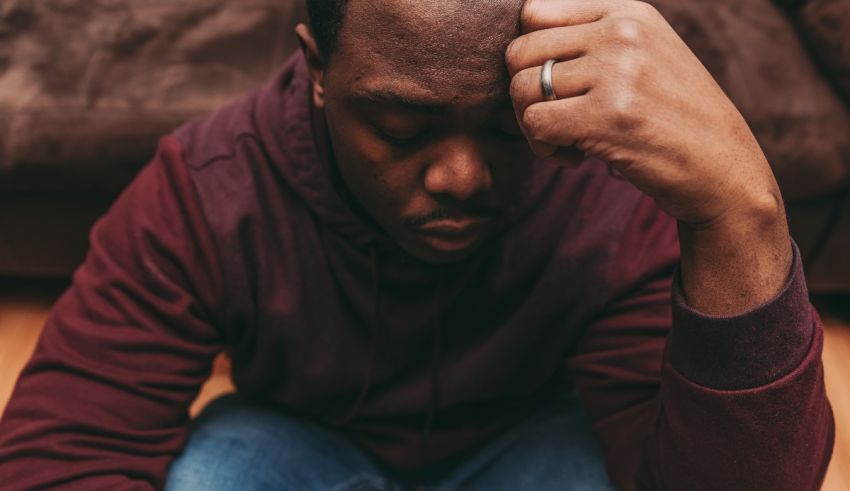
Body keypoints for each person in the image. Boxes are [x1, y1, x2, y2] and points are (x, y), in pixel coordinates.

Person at [0, 0, 834, 489]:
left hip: (533, 441)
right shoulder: (208, 185)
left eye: (509, 129)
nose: (462, 177)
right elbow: (62, 456)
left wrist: (743, 213)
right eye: (401, 127)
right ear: (318, 70)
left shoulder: (611, 180)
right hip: (301, 437)